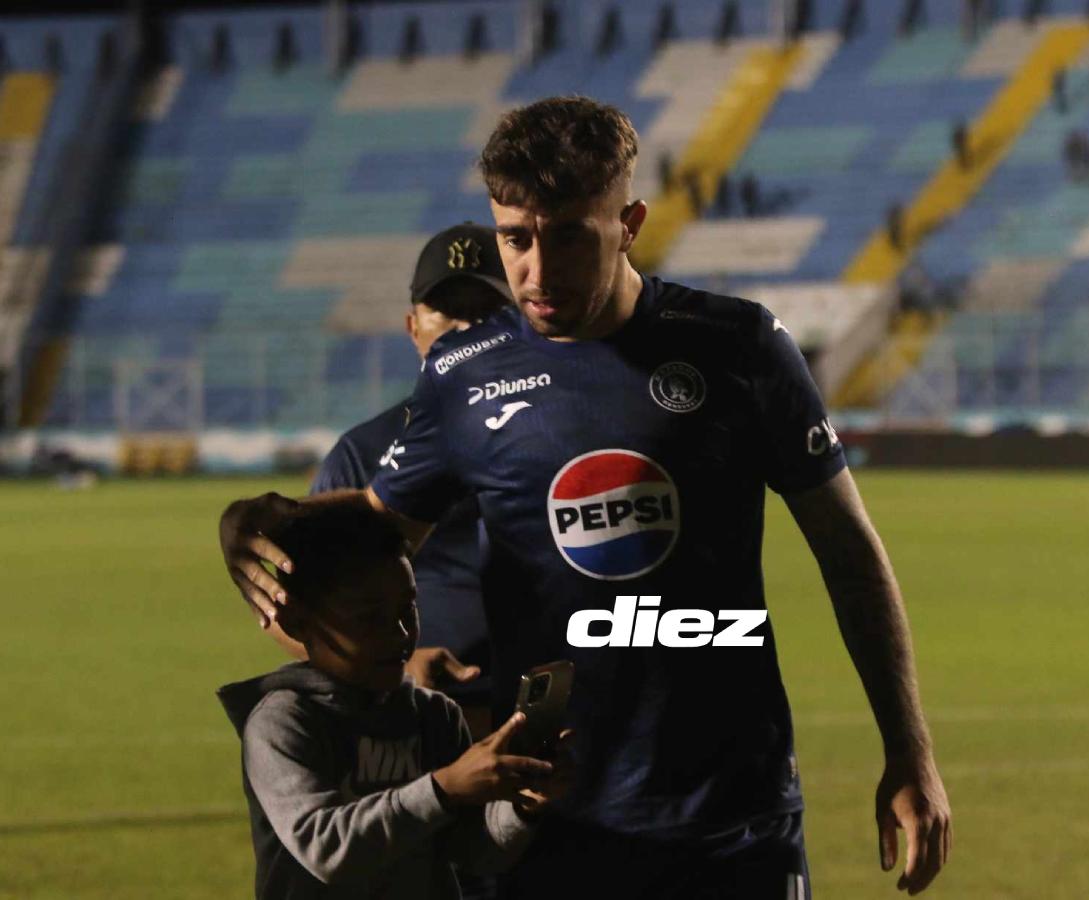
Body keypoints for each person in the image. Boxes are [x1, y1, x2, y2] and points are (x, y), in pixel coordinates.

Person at [221, 96, 951, 898]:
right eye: (515, 238)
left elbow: (849, 555)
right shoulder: (466, 374)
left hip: (733, 820)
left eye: (568, 234)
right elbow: (371, 534)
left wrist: (909, 751)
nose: (536, 269)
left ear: (628, 221)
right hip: (546, 818)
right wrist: (255, 526)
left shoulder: (740, 348)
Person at [217, 503, 571, 899]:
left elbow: (475, 852)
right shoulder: (283, 721)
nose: (400, 633)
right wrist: (444, 789)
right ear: (297, 622)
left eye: (409, 608)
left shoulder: (433, 714)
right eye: (370, 619)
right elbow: (327, 848)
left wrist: (522, 805)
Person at [308, 222, 512, 738]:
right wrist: (400, 667)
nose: (465, 329)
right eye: (445, 313)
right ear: (412, 326)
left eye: (485, 314)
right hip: (419, 732)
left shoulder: (563, 433)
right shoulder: (361, 453)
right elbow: (308, 611)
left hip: (554, 719)